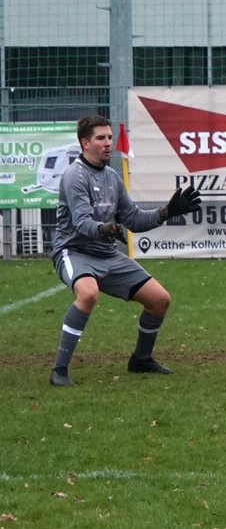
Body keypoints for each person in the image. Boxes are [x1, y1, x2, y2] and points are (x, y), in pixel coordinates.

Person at [49, 115, 202, 386]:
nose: (108, 143)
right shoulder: (75, 176)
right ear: (85, 143)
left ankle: (141, 360)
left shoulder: (111, 177)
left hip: (106, 254)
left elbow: (133, 220)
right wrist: (104, 229)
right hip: (74, 252)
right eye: (101, 138)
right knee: (88, 294)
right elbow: (83, 223)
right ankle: (59, 371)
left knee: (160, 300)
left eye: (109, 137)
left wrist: (167, 212)